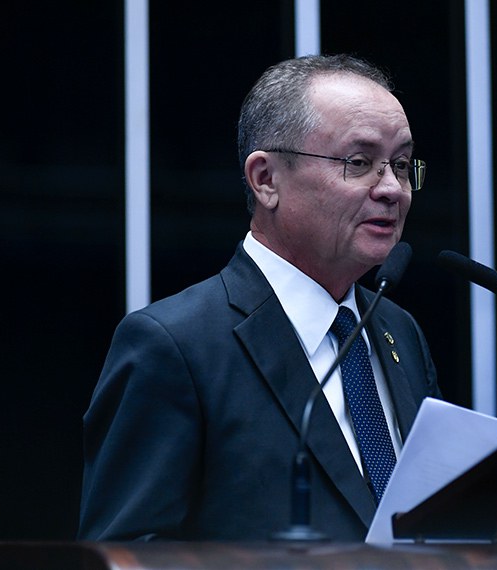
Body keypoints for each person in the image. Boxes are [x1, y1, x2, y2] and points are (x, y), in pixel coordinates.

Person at [78, 54, 440, 542]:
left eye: (399, 164)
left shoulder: (398, 330)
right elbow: (125, 553)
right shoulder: (175, 346)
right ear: (266, 179)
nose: (392, 189)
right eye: (359, 163)